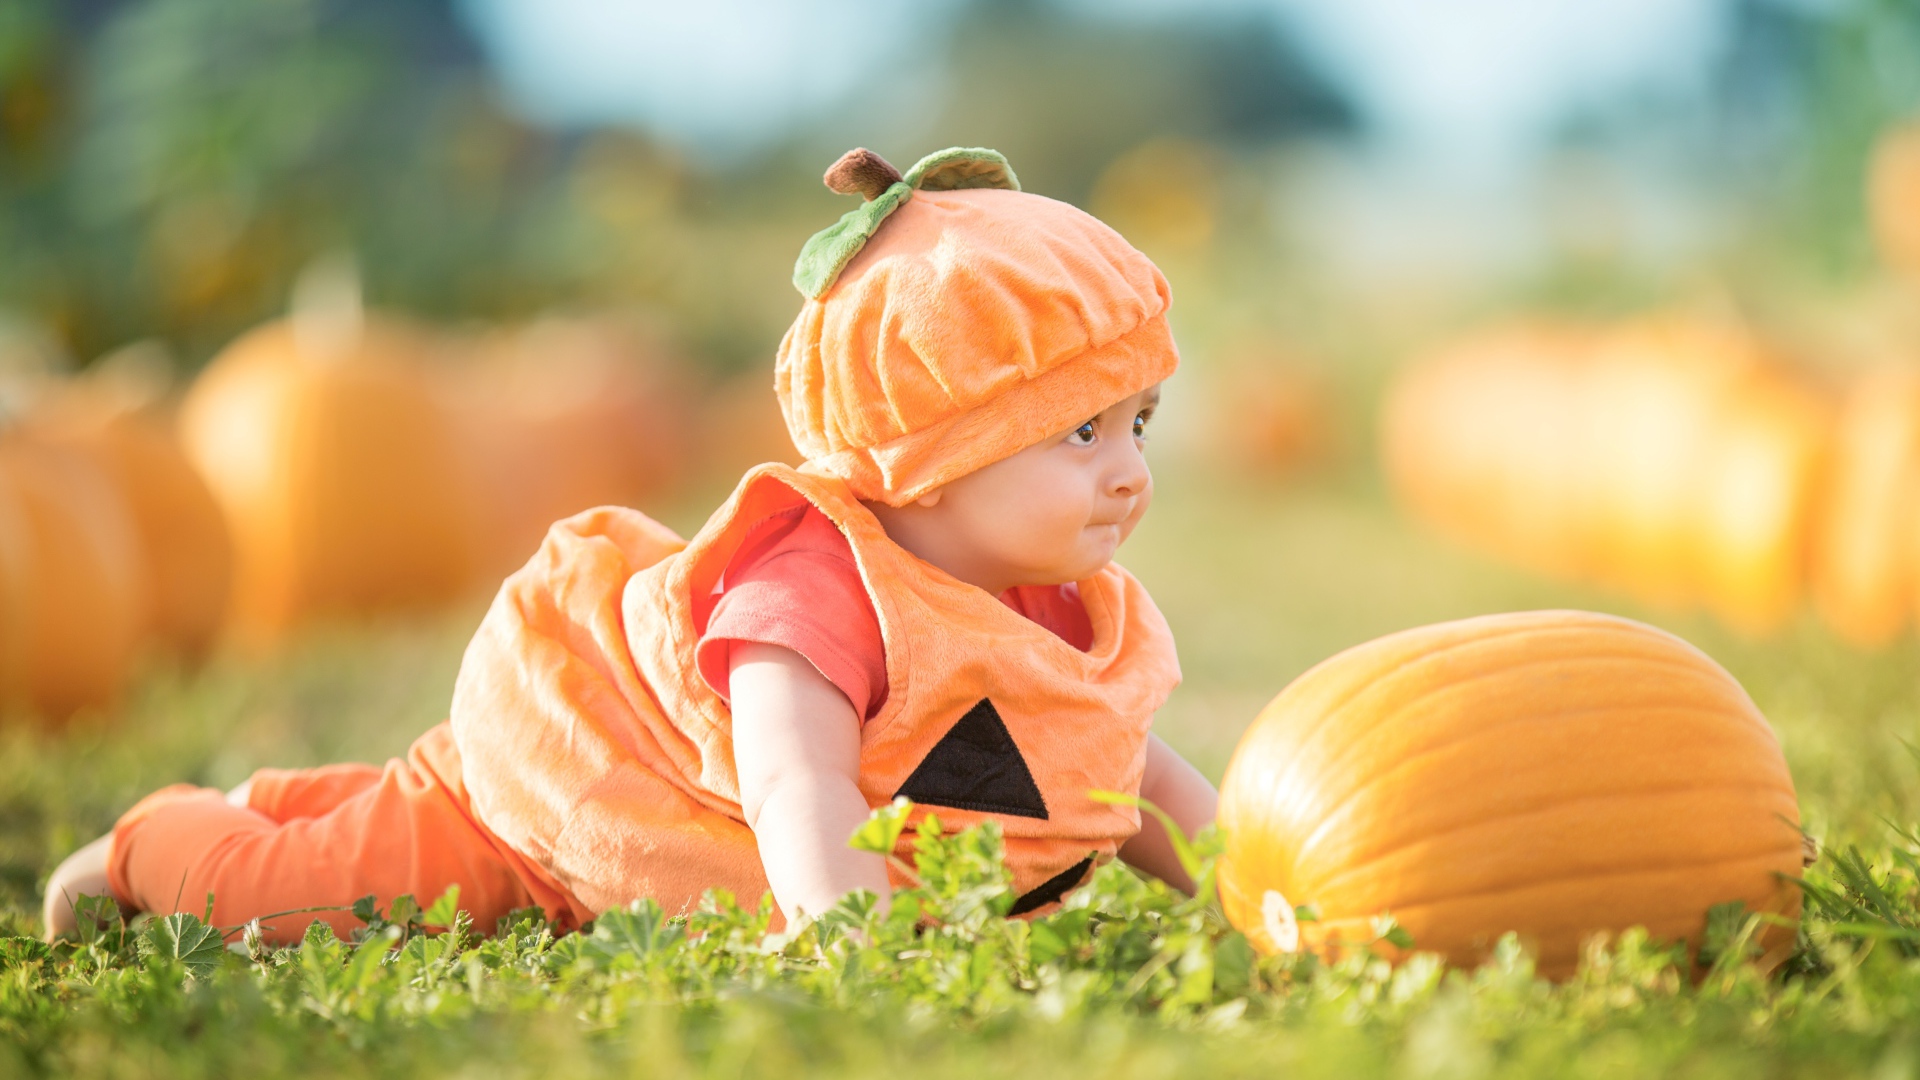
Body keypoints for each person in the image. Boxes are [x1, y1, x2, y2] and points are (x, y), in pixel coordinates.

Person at [44, 146, 1219, 942]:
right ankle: (156, 841)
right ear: (927, 446)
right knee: (295, 899)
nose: (1129, 470)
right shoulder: (815, 595)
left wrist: (1254, 886)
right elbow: (794, 782)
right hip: (554, 822)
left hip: (636, 852)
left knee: (363, 818)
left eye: (1137, 424)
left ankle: (283, 795)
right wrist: (855, 942)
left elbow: (1137, 773)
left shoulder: (1057, 605)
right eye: (1077, 430)